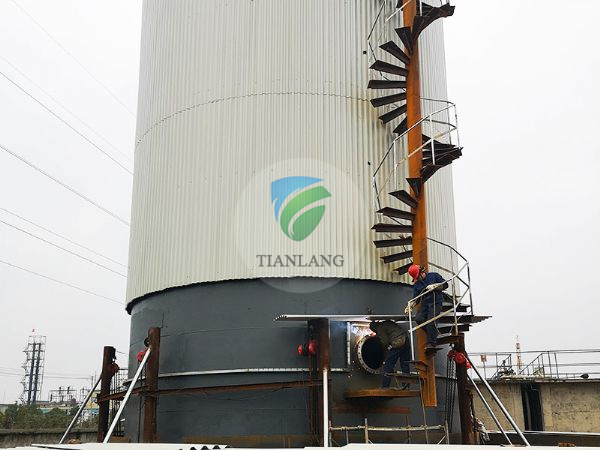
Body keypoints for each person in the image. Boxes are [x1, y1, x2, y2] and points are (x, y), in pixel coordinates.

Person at [408, 264, 448, 349]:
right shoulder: (417, 284)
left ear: (422, 272)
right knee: (419, 319)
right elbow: (416, 298)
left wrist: (436, 286)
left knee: (431, 322)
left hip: (436, 301)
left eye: (418, 277)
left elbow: (446, 285)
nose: (418, 279)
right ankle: (433, 334)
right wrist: (410, 306)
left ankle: (431, 343)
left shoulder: (434, 276)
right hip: (425, 303)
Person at [369, 320, 411, 388]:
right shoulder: (386, 322)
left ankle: (385, 386)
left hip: (397, 342)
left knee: (389, 364)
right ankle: (406, 385)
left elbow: (385, 341)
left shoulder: (380, 328)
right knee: (405, 363)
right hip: (405, 340)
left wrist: (383, 347)